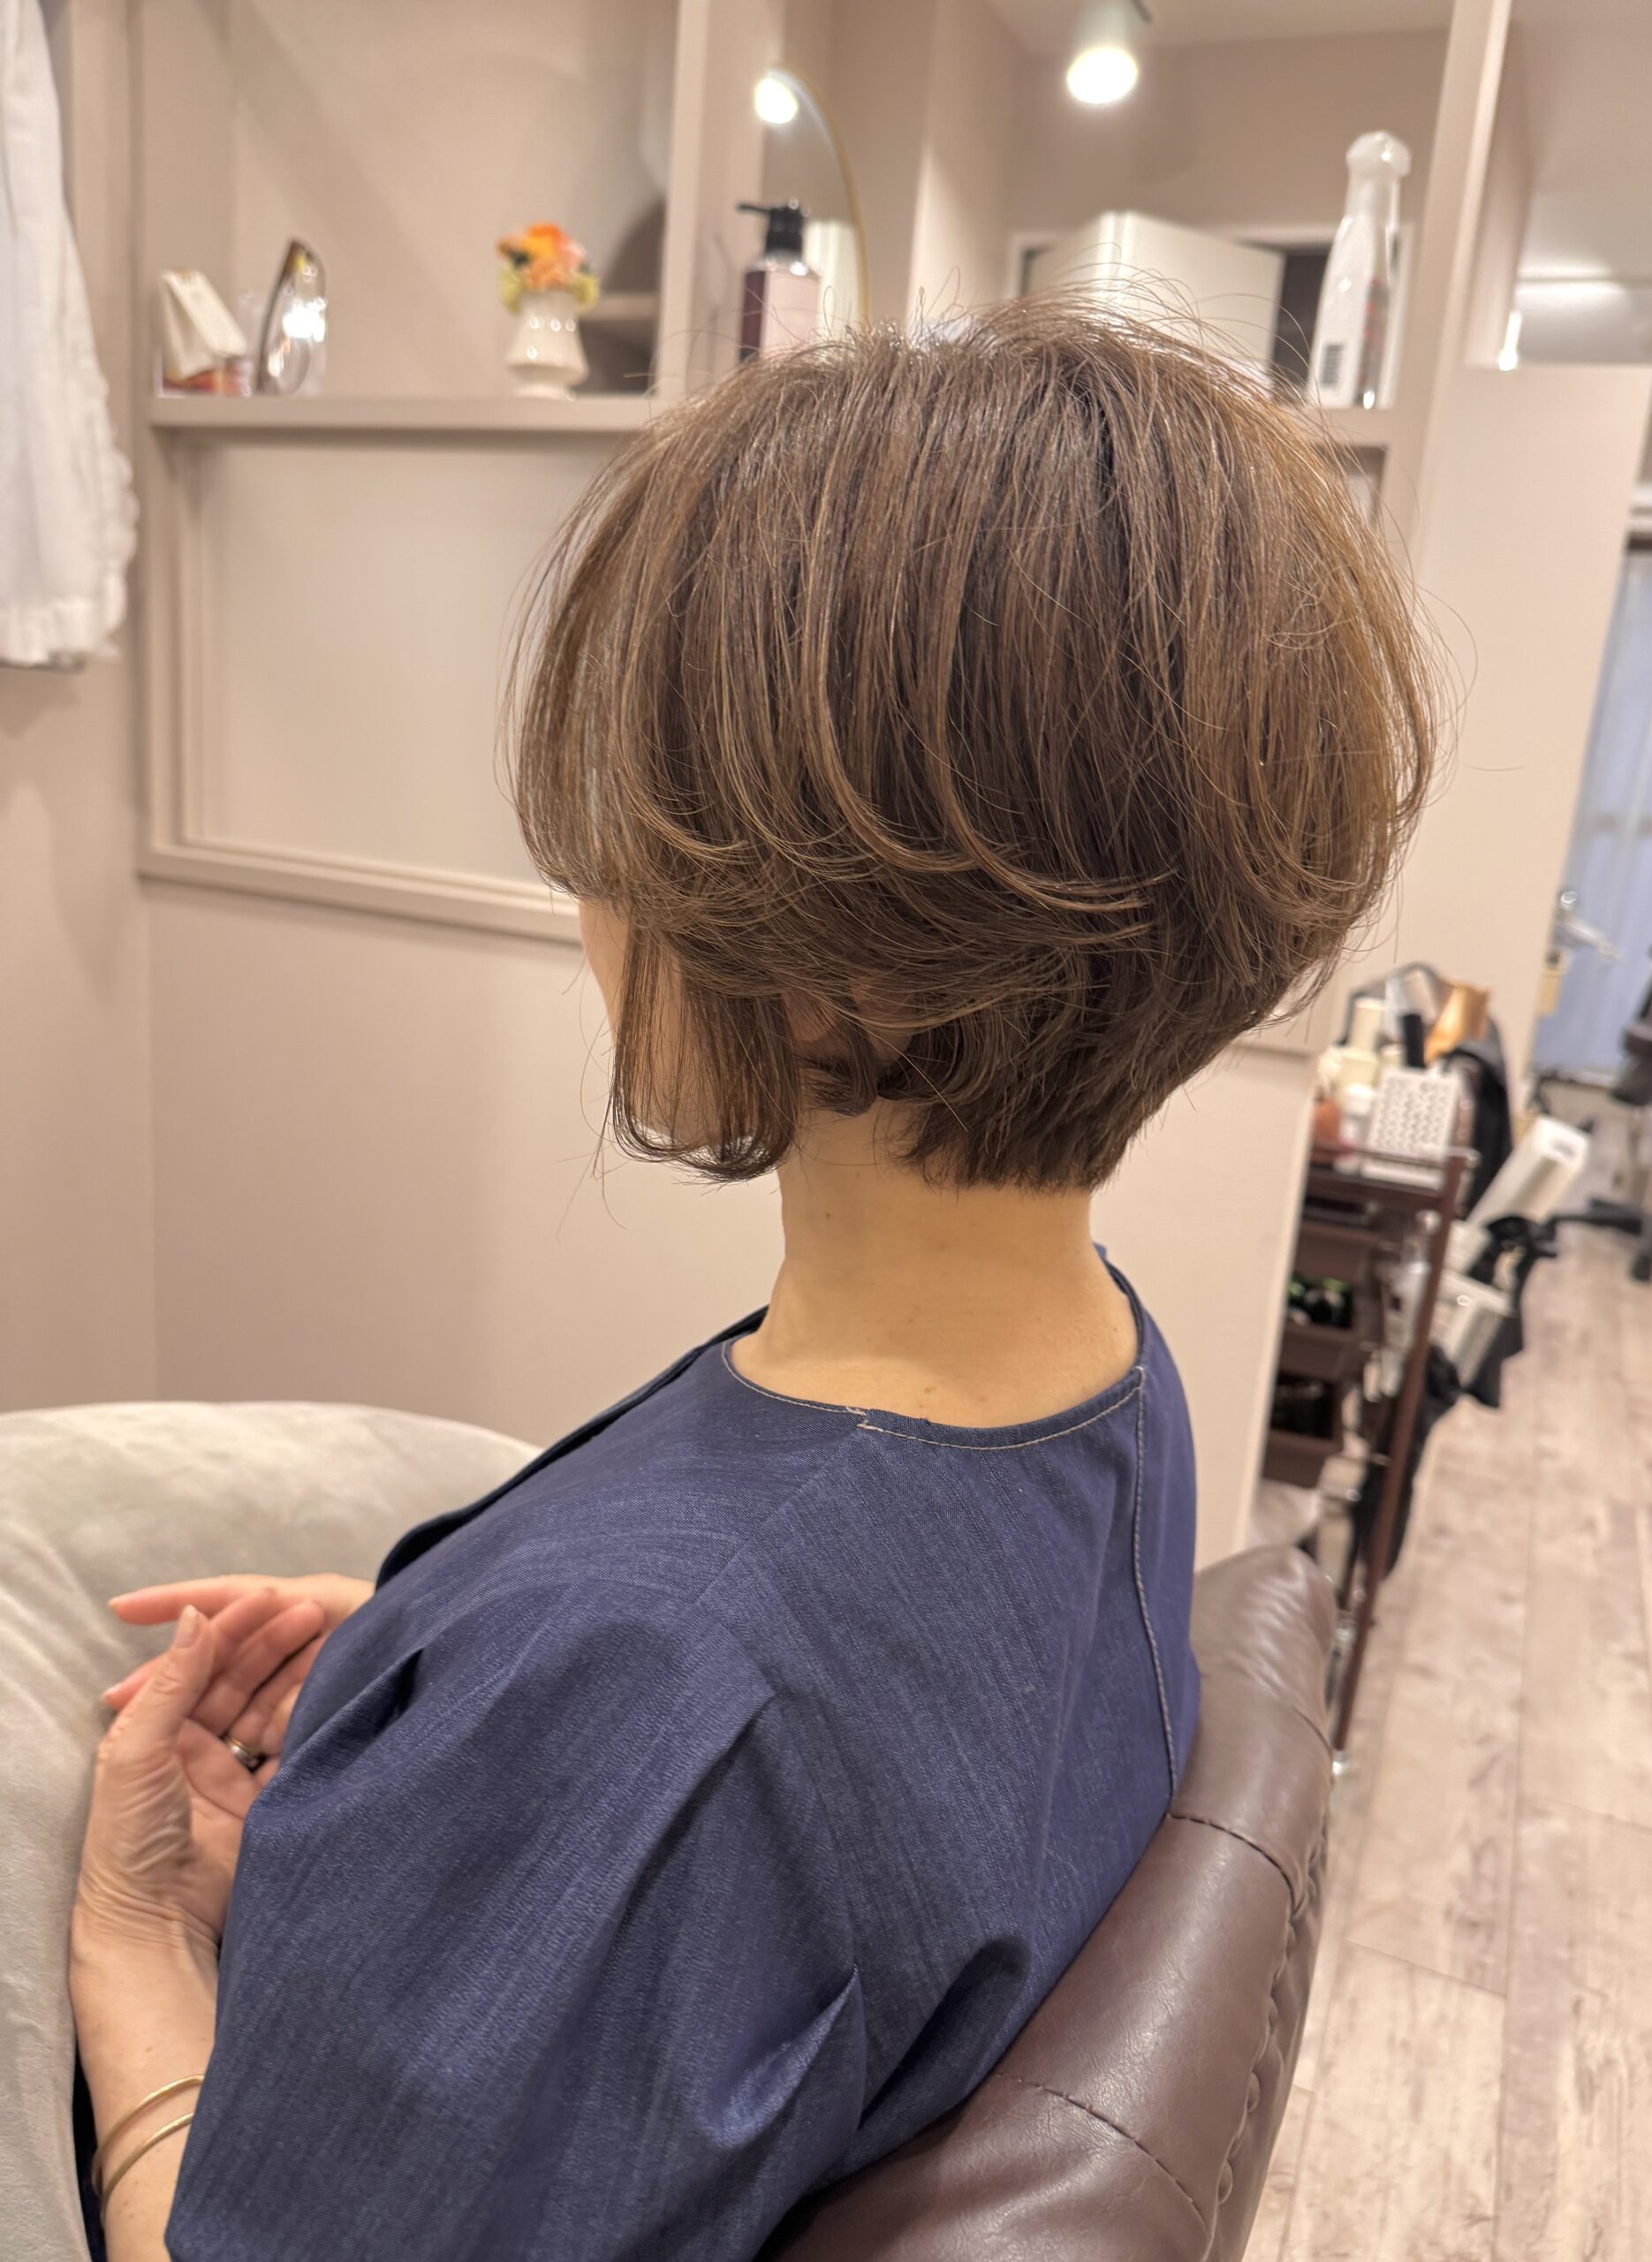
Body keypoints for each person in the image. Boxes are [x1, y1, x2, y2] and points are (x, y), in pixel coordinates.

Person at [71, 302, 1435, 2261]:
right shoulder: (1110, 1376)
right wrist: (447, 1693)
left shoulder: (659, 1689)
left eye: (629, 842)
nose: (588, 912)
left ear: (831, 959)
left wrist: (136, 1950)